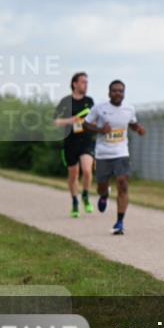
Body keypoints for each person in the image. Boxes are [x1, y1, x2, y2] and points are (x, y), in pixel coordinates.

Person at [84, 80, 145, 235]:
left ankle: (119, 222)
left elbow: (132, 123)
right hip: (103, 153)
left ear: (124, 93)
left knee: (123, 184)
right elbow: (85, 124)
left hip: (121, 152)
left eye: (121, 91)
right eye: (115, 91)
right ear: (109, 93)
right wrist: (100, 129)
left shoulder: (129, 109)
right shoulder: (99, 108)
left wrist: (137, 128)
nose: (118, 93)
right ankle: (104, 195)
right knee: (101, 186)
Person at [53, 72, 95, 218]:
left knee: (87, 170)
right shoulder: (66, 102)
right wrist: (70, 120)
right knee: (73, 174)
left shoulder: (89, 101)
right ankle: (75, 202)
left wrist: (89, 123)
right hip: (70, 143)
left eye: (87, 82)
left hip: (87, 142)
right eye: (83, 82)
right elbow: (56, 121)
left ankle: (85, 194)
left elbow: (95, 119)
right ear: (74, 84)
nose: (86, 84)